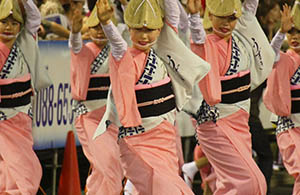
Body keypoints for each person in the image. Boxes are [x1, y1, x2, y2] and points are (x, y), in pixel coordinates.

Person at [94, 0, 210, 194]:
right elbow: (117, 45)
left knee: (162, 186)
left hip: (163, 136)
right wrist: (107, 24)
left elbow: (172, 15)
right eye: (138, 29)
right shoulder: (126, 57)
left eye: (150, 30)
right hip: (137, 140)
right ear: (129, 29)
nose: (144, 36)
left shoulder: (163, 53)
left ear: (160, 29)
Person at [186, 0, 275, 194]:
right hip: (216, 123)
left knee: (229, 182)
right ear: (210, 16)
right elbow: (198, 41)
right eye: (221, 17)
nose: (226, 23)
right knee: (251, 180)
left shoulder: (240, 41)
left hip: (240, 120)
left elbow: (250, 10)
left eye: (231, 18)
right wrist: (193, 17)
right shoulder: (207, 43)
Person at [69, 2, 123, 194]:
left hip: (111, 116)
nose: (99, 32)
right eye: (94, 27)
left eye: (103, 27)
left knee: (110, 164)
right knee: (108, 160)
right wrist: (74, 33)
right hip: (89, 116)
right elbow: (75, 46)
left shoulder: (116, 50)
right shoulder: (84, 50)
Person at [0, 0, 51, 194]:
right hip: (3, 121)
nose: (8, 27)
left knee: (11, 173)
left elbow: (35, 18)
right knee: (25, 172)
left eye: (14, 23)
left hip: (22, 117)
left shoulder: (25, 42)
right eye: (4, 22)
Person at [264, 2, 300, 194]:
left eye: (299, 32)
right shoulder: (285, 58)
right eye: (291, 32)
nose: (294, 37)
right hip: (290, 128)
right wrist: (280, 33)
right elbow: (271, 54)